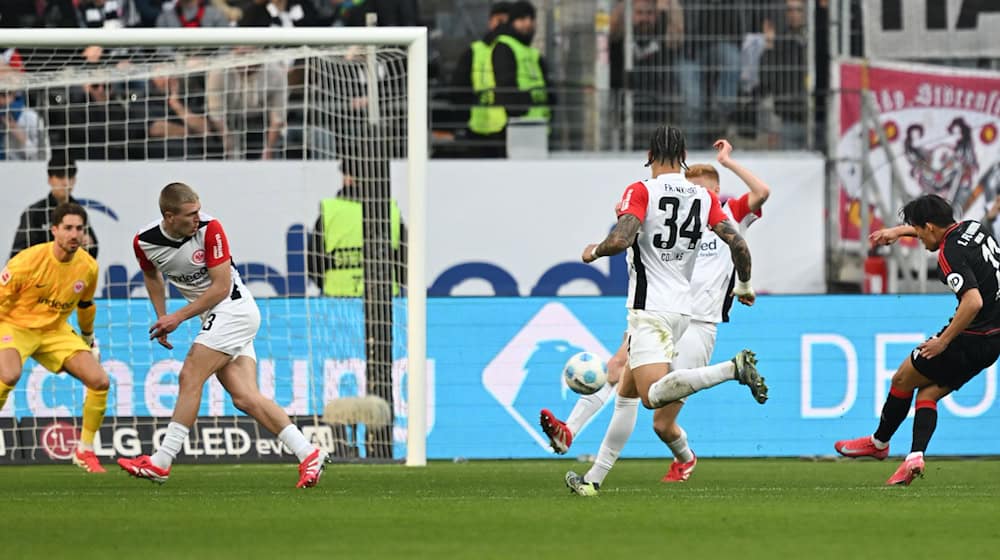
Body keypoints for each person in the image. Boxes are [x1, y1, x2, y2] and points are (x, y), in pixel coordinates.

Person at [540, 138, 771, 484]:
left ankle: (690, 447)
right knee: (623, 382)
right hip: (667, 309)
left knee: (660, 418)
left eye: (705, 187)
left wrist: (726, 161)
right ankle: (585, 465)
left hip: (696, 320)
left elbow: (759, 199)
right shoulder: (691, 205)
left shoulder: (728, 211)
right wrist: (744, 284)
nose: (694, 191)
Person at [117, 183, 328, 487]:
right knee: (245, 397)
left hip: (234, 309)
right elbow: (152, 275)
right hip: (219, 315)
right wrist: (162, 315)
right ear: (169, 216)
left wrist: (176, 317)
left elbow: (220, 287)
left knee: (190, 375)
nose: (197, 218)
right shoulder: (144, 242)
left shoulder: (210, 229)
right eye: (189, 214)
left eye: (198, 211)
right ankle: (308, 453)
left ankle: (161, 462)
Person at [835, 194, 1000, 486]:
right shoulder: (972, 227)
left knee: (901, 379)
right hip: (993, 341)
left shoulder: (949, 254)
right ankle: (914, 458)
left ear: (929, 227)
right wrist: (899, 231)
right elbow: (936, 231)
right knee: (927, 395)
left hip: (970, 336)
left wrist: (944, 341)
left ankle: (879, 442)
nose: (920, 240)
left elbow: (972, 302)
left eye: (918, 231)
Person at [0, 203, 108, 473]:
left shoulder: (88, 267)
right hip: (15, 325)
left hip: (54, 330)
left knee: (99, 380)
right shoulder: (26, 261)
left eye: (79, 229)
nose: (75, 234)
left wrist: (88, 338)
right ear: (54, 230)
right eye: (68, 228)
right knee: (9, 374)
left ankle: (85, 450)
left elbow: (85, 305)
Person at [307, 183, 406, 297]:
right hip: (384, 297)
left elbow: (313, 262)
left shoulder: (331, 211)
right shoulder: (390, 210)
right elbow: (405, 262)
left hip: (337, 299)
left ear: (347, 178)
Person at [486, 0, 552, 157]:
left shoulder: (532, 53)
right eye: (522, 19)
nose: (528, 24)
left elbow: (548, 89)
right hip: (513, 127)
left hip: (537, 127)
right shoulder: (504, 47)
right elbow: (506, 86)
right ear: (513, 22)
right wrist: (529, 101)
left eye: (531, 19)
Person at [446, 1, 511, 158]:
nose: (502, 26)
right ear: (490, 22)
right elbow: (457, 90)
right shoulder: (474, 51)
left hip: (509, 130)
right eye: (499, 21)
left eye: (506, 22)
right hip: (478, 131)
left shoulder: (516, 50)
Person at [10, 156, 99, 260]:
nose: (66, 183)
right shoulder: (35, 212)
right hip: (41, 273)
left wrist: (90, 244)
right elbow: (17, 253)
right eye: (60, 177)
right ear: (50, 179)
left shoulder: (79, 211)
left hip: (71, 273)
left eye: (70, 177)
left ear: (74, 180)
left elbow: (92, 253)